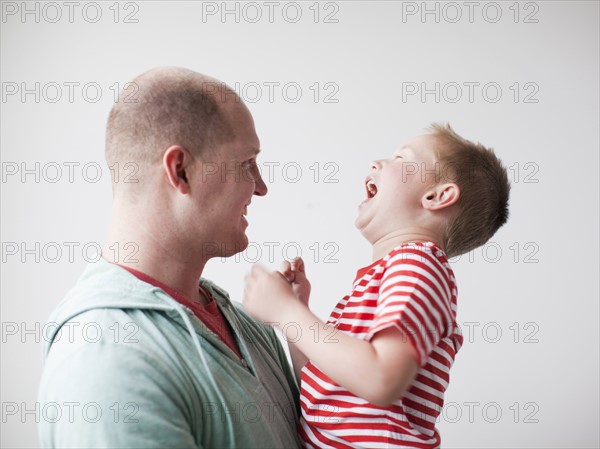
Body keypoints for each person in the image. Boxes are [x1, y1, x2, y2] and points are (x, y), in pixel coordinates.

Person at [38, 67, 301, 448]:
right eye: (246, 163)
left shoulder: (246, 325)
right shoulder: (105, 362)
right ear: (181, 171)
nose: (261, 187)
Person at [243, 124, 510, 448]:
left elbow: (381, 378)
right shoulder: (383, 278)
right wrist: (298, 312)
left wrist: (286, 313)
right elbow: (323, 390)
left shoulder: (418, 267)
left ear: (438, 197)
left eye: (400, 157)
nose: (376, 163)